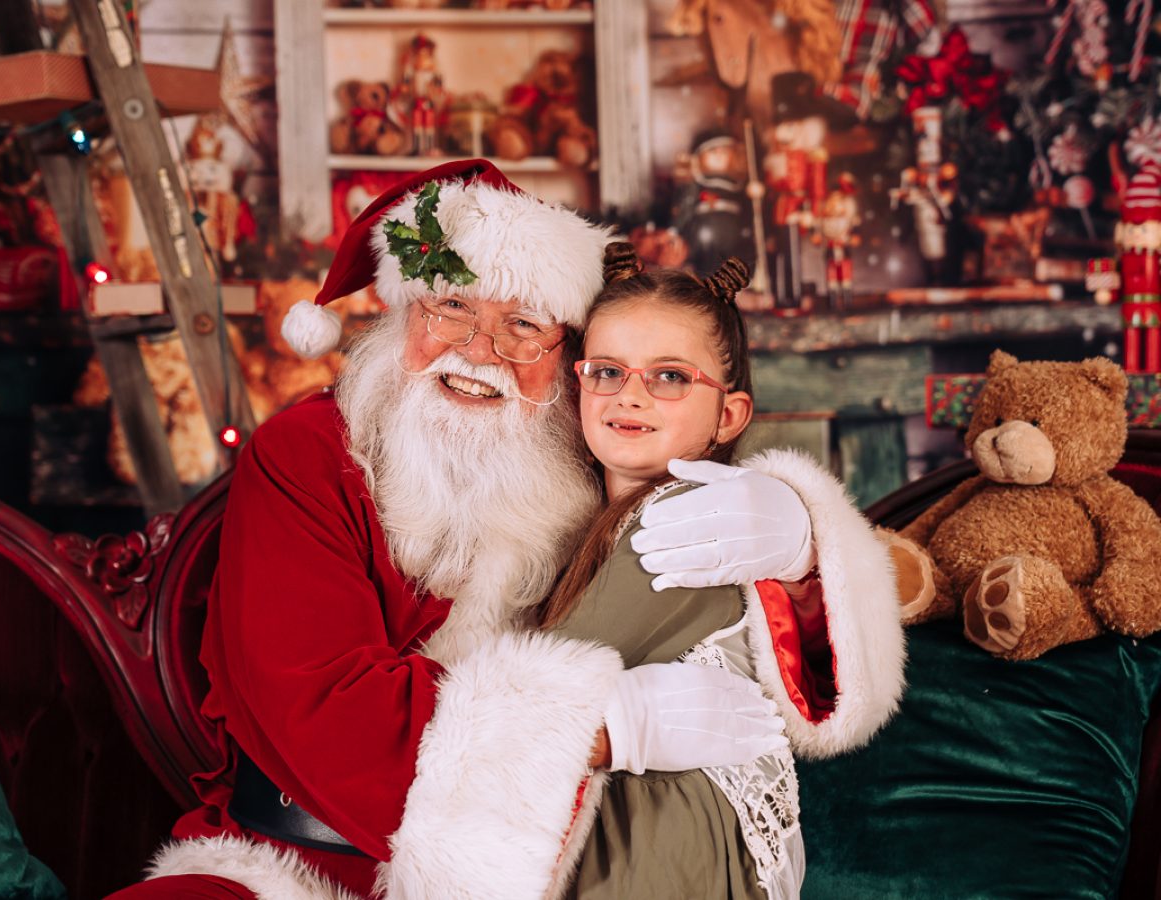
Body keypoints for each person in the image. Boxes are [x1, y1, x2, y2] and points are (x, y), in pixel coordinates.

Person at [107, 160, 889, 900]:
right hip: (297, 865)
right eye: (450, 306)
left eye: (523, 324)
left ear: (566, 356)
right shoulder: (306, 455)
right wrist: (597, 728)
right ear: (401, 311)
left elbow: (765, 635)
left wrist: (801, 533)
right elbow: (325, 710)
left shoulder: (587, 450)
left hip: (555, 864)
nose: (479, 351)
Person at [538, 243, 904, 899]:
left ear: (727, 416)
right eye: (607, 371)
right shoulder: (582, 517)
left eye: (671, 377)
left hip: (661, 839)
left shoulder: (687, 518)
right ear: (579, 383)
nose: (631, 396)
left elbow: (546, 679)